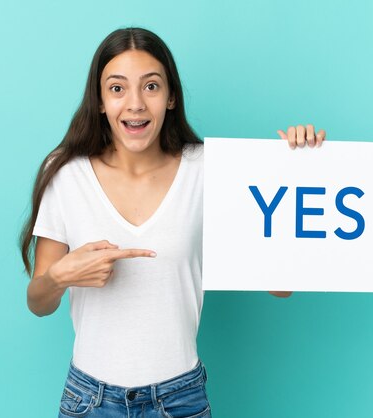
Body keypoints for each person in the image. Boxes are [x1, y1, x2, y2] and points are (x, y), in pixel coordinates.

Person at [19, 27, 326, 418]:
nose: (135, 104)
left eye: (151, 86)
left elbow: (281, 289)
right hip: (89, 401)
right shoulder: (65, 172)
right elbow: (38, 302)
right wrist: (61, 275)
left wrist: (302, 166)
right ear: (99, 101)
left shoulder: (209, 170)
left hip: (179, 400)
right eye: (117, 89)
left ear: (171, 97)